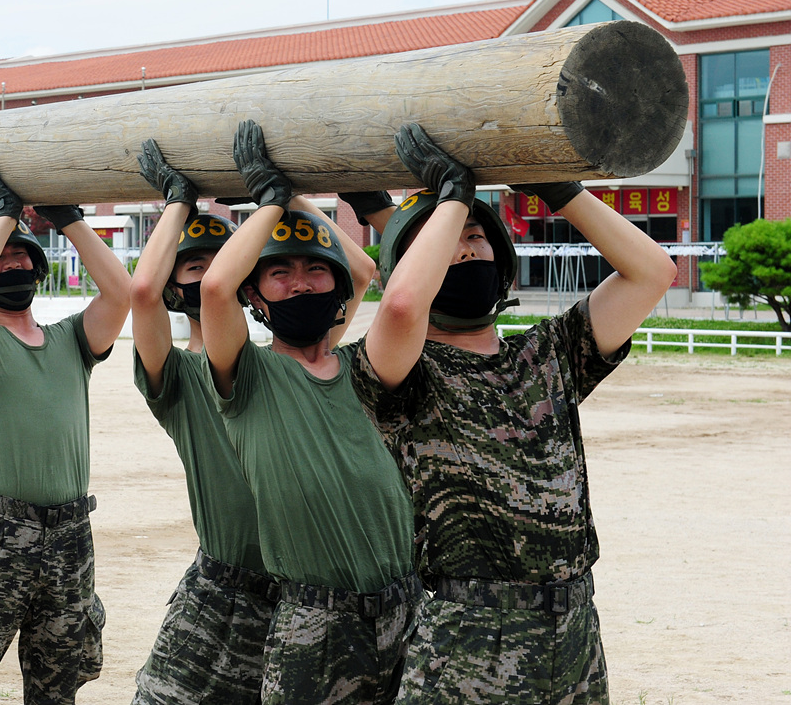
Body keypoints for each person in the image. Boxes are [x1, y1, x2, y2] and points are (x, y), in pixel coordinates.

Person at [354, 124, 676, 704]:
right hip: (469, 638)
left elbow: (652, 273)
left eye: (477, 237)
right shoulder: (399, 372)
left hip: (574, 629)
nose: (465, 247)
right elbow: (402, 304)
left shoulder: (549, 353)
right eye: (447, 241)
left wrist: (559, 189)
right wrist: (453, 198)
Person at [200, 120, 421, 705]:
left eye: (315, 270)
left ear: (337, 288)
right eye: (280, 273)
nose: (300, 284)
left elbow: (372, 274)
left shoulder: (363, 368)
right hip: (313, 623)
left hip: (409, 608)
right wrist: (270, 204)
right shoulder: (246, 377)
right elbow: (216, 288)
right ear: (257, 297)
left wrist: (294, 197)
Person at [0, 149, 130, 704]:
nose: (11, 266)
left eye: (20, 259)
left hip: (70, 536)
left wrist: (70, 220)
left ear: (38, 268)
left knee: (59, 684)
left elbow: (121, 293)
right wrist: (4, 217)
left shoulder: (70, 341)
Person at [127, 138, 275, 705]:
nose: (212, 274)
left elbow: (357, 272)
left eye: (223, 260)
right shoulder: (177, 375)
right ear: (175, 284)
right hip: (226, 582)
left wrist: (282, 200)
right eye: (195, 264)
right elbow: (141, 290)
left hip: (307, 585)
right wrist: (178, 203)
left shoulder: (277, 363)